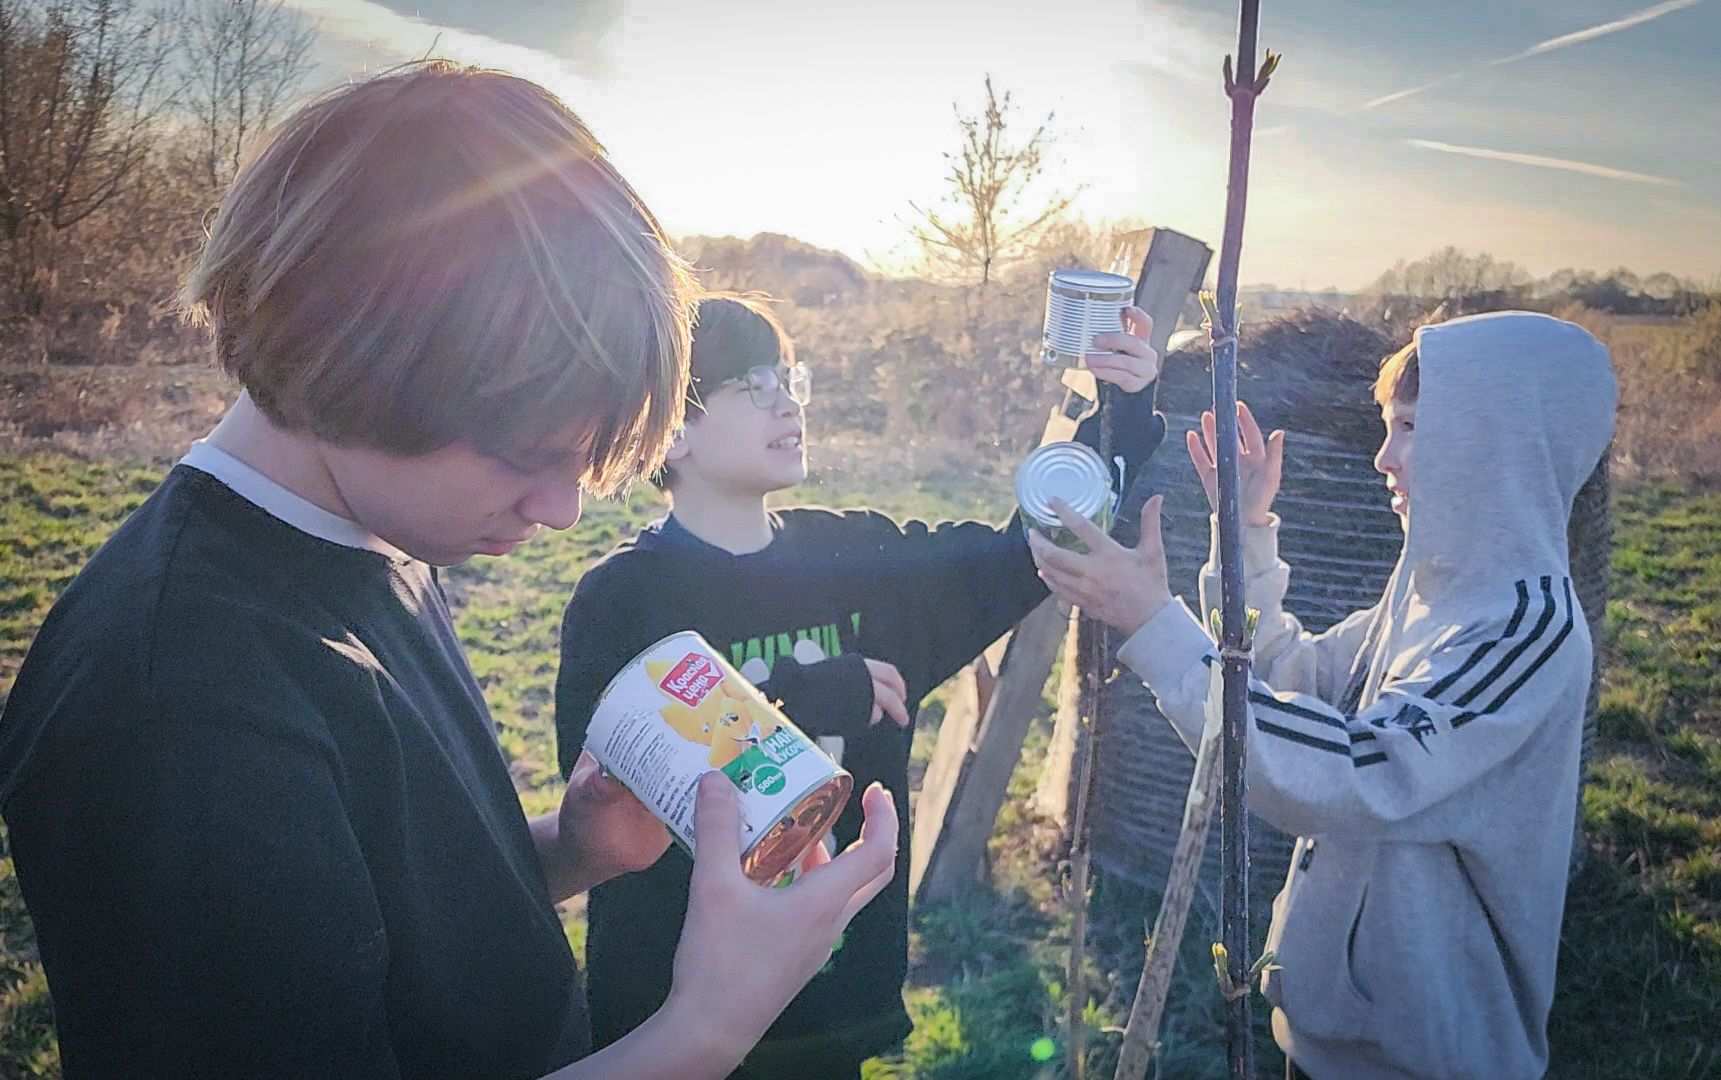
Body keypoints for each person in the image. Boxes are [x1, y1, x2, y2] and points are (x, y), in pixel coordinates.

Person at [0, 63, 896, 1080]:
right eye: (526, 456)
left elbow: (378, 922)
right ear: (350, 358)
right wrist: (707, 1028)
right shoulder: (174, 714)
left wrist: (572, 849)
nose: (560, 510)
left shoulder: (368, 533)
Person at [555, 292, 1164, 1077]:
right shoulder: (622, 600)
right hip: (668, 1017)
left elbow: (1028, 553)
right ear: (672, 431)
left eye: (788, 378)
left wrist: (1120, 415)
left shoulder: (858, 561)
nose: (788, 402)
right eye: (752, 385)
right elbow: (609, 812)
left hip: (828, 1002)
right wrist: (800, 704)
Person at [1027, 312, 1616, 1080]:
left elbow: (1350, 773)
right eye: (1387, 427)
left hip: (1423, 1060)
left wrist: (1152, 622)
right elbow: (1290, 678)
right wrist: (1243, 529)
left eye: (1410, 427)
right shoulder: (1435, 592)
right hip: (1330, 1038)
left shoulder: (1523, 631)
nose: (1382, 457)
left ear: (1496, 443)